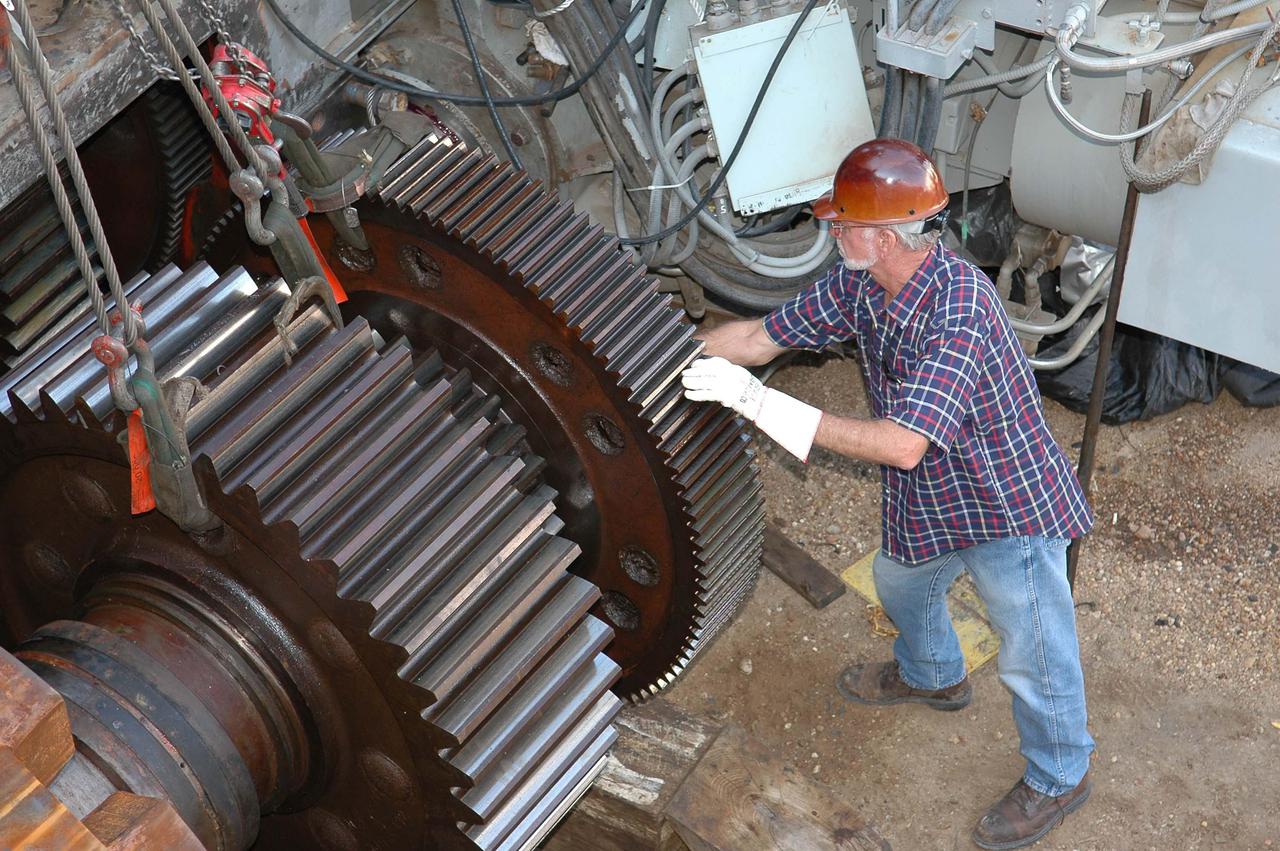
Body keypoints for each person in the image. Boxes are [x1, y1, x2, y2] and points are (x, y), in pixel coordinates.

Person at [681, 138, 1096, 850]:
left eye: (841, 223)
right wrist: (674, 352)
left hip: (1004, 503)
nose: (832, 231)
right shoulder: (860, 284)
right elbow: (759, 336)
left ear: (879, 236)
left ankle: (1062, 774)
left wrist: (758, 405)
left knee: (1033, 647)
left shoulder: (960, 308)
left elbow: (903, 442)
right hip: (931, 491)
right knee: (897, 582)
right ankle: (935, 675)